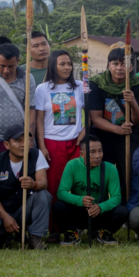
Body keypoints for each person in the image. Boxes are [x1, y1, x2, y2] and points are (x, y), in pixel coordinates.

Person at [87, 47, 139, 200]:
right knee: (99, 174)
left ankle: (127, 205)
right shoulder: (97, 83)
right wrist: (117, 129)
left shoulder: (138, 83)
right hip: (102, 135)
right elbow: (96, 118)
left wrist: (133, 103)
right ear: (109, 65)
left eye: (124, 64)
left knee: (130, 173)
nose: (119, 68)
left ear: (131, 67)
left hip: (128, 136)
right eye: (115, 64)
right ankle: (99, 205)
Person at [0, 124, 50, 250]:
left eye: (26, 140)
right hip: (3, 209)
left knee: (43, 195)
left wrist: (34, 184)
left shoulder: (36, 155)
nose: (23, 144)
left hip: (25, 209)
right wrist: (5, 216)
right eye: (18, 141)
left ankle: (35, 237)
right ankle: (3, 236)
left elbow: (43, 182)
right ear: (7, 145)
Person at [56, 134, 131, 246]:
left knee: (122, 211)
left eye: (100, 151)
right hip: (79, 211)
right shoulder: (72, 165)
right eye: (92, 152)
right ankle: (71, 233)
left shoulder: (110, 168)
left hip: (99, 212)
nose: (98, 156)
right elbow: (61, 192)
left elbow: (116, 197)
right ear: (81, 154)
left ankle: (104, 233)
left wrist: (101, 207)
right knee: (58, 206)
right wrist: (80, 200)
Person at [34, 49, 85, 203]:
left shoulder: (80, 86)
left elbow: (90, 114)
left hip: (75, 143)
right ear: (52, 66)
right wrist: (42, 146)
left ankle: (78, 217)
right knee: (54, 185)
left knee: (78, 184)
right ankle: (53, 218)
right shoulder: (42, 88)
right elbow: (39, 120)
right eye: (62, 64)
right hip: (52, 144)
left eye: (69, 64)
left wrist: (83, 132)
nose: (67, 67)